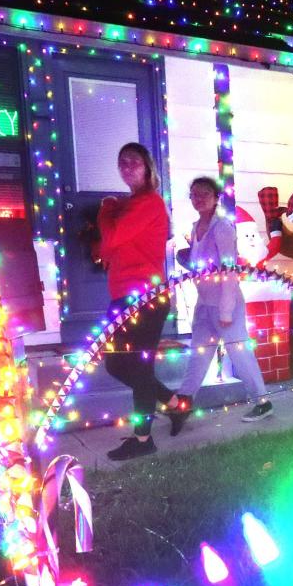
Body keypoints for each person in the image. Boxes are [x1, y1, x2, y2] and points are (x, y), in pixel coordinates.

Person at [98, 142, 188, 461]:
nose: (126, 167)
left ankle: (143, 438)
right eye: (121, 162)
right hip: (123, 297)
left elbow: (111, 238)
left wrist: (106, 209)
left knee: (137, 365)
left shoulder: (148, 203)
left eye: (133, 162)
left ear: (148, 166)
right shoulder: (130, 204)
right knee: (115, 363)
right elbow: (106, 251)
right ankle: (175, 406)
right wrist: (112, 214)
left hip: (144, 298)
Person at [175, 176, 274, 424]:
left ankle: (263, 402)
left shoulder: (222, 228)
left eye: (204, 194)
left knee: (239, 352)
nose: (199, 199)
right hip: (204, 303)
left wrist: (226, 310)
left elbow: (229, 270)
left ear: (215, 198)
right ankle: (183, 403)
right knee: (199, 354)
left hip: (225, 303)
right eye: (194, 194)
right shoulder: (196, 226)